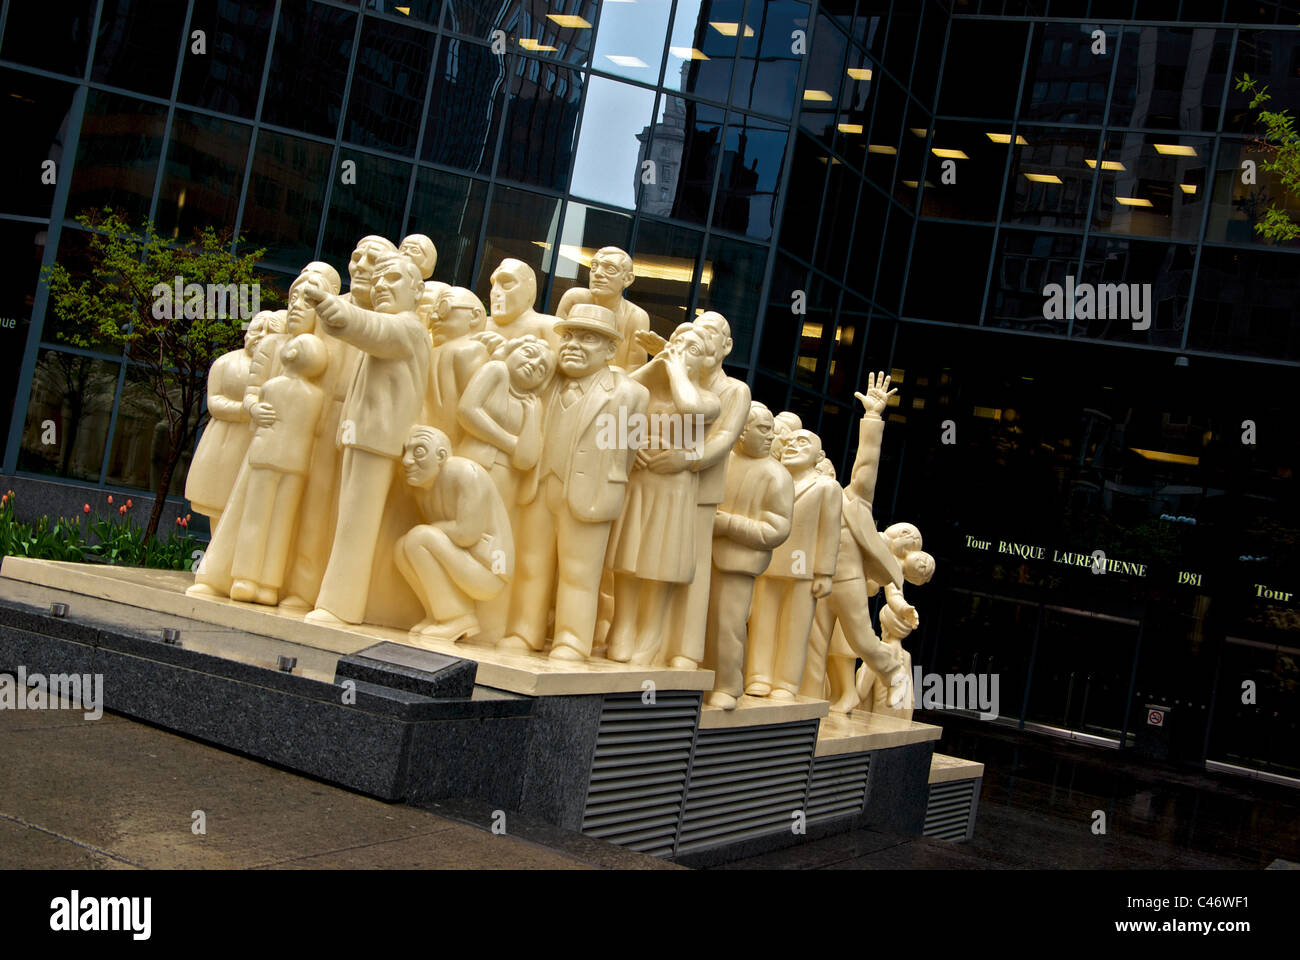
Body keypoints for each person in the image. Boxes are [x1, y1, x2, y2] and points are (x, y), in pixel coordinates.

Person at [502, 303, 649, 660]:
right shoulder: (545, 378)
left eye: (587, 339)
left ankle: (571, 639)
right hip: (539, 486)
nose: (572, 345)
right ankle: (525, 631)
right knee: (531, 563)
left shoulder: (630, 394)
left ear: (611, 350)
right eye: (568, 336)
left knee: (579, 572)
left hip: (590, 494)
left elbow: (625, 454)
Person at [296, 252, 431, 626]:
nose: (382, 286)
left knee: (358, 523)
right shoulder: (396, 328)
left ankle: (340, 607)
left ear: (417, 291)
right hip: (364, 439)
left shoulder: (408, 329)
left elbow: (367, 328)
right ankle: (346, 602)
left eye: (394, 280)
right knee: (351, 521)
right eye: (379, 281)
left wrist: (328, 307)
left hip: (379, 443)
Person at [605, 323, 720, 665]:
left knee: (659, 560)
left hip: (674, 488)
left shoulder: (708, 399)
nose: (682, 350)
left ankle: (650, 635)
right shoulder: (646, 391)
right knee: (629, 557)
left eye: (693, 349)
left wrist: (676, 368)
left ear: (705, 364)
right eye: (677, 343)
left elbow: (691, 409)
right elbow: (615, 392)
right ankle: (621, 627)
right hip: (640, 482)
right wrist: (630, 444)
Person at [801, 373, 913, 712]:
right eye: (817, 471)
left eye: (829, 471)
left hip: (847, 582)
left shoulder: (854, 500)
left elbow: (866, 464)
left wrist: (873, 416)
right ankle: (809, 698)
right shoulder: (808, 504)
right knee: (813, 643)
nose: (824, 475)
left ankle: (892, 671)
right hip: (814, 580)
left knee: (862, 638)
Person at [703, 403, 794, 709]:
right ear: (741, 431)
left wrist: (728, 524)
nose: (772, 436)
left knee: (728, 625)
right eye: (763, 429)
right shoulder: (721, 458)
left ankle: (728, 685)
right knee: (699, 620)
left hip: (738, 565)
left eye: (772, 428)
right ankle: (698, 679)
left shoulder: (777, 476)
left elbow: (777, 530)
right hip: (702, 556)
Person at [228, 334, 330, 605]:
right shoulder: (318, 396)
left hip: (265, 456)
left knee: (255, 518)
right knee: (280, 524)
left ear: (292, 355)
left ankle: (245, 579)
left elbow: (257, 422)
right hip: (296, 464)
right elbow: (318, 430)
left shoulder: (271, 387)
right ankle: (269, 586)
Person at [394, 425, 515, 642]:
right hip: (467, 560)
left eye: (419, 452)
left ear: (441, 456)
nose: (407, 461)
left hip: (491, 567)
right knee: (402, 547)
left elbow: (467, 533)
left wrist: (435, 529)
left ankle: (457, 617)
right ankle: (438, 615)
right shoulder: (423, 486)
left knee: (418, 538)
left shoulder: (465, 473)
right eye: (406, 452)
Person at [746, 428, 840, 699]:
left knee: (795, 627)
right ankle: (758, 676)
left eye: (802, 442)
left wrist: (825, 572)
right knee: (763, 621)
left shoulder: (826, 487)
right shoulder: (773, 478)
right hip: (769, 562)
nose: (792, 445)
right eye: (788, 441)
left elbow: (829, 531)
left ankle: (786, 683)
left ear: (818, 456)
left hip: (804, 568)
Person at [185, 315, 266, 529]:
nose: (262, 337)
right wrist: (246, 409)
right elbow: (214, 402)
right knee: (220, 500)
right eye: (258, 330)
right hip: (225, 441)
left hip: (256, 441)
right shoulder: (226, 362)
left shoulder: (276, 368)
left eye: (270, 332)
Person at [556, 246, 650, 371]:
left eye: (610, 269)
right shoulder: (574, 299)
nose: (598, 273)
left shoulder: (635, 316)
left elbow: (634, 368)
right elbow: (554, 345)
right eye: (594, 267)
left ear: (627, 279)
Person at [422, 286, 490, 447]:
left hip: (447, 444)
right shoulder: (431, 351)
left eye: (443, 308)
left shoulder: (471, 350)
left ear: (475, 316)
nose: (434, 317)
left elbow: (478, 407)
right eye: (431, 313)